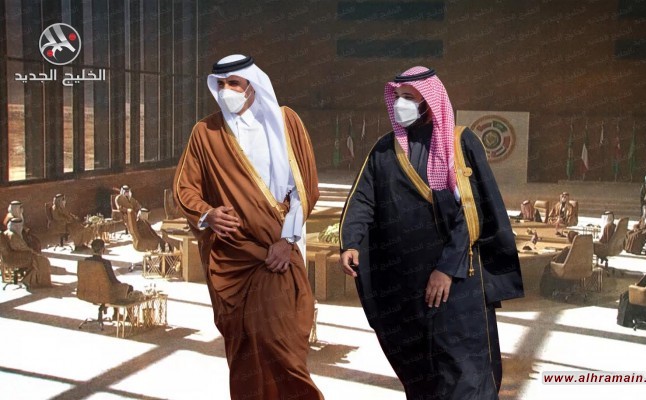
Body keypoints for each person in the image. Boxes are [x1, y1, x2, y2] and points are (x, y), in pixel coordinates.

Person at [339, 66, 522, 399]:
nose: (401, 104)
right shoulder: (384, 149)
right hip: (407, 285)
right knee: (421, 373)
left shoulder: (459, 143)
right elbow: (363, 198)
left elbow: (472, 214)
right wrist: (351, 240)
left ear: (429, 101)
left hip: (458, 283)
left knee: (465, 373)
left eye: (409, 97)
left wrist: (446, 270)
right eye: (397, 97)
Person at [173, 54, 323, 400]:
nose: (226, 90)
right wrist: (207, 214)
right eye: (220, 84)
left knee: (280, 344)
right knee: (243, 351)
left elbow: (304, 190)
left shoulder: (285, 122)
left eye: (234, 84)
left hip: (276, 254)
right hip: (233, 256)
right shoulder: (205, 133)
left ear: (251, 86)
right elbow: (185, 188)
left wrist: (287, 241)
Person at [3, 218, 53, 288]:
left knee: (39, 260)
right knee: (42, 261)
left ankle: (33, 280)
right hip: (16, 258)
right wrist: (33, 252)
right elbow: (22, 248)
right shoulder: (13, 235)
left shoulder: (7, 232)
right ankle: (34, 281)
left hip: (10, 257)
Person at [539, 231, 579, 297]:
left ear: (569, 239)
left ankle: (546, 291)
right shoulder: (580, 250)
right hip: (577, 270)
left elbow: (557, 259)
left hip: (565, 270)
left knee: (548, 266)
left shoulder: (567, 249)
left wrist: (553, 260)